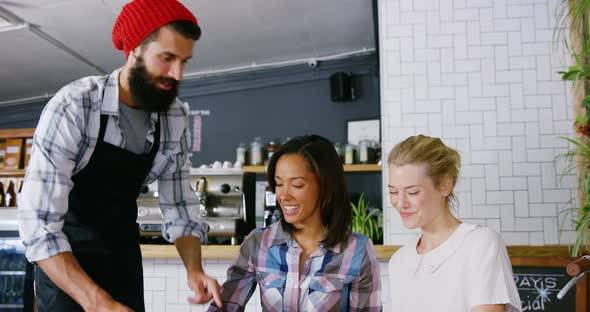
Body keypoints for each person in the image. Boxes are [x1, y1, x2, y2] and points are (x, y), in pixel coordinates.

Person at [17, 0, 222, 311]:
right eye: (166, 58)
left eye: (184, 61)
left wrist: (195, 271)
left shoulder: (174, 118)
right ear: (135, 49)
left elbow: (180, 206)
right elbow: (39, 226)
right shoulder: (75, 106)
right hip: (66, 268)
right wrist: (97, 302)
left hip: (122, 261)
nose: (177, 73)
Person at [208, 135, 381, 311]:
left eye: (297, 185)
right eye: (278, 184)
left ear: (326, 186)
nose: (283, 195)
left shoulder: (358, 251)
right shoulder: (258, 243)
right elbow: (224, 307)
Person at [387, 135, 521, 312]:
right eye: (393, 191)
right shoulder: (399, 261)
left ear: (445, 185)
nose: (400, 202)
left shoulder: (480, 244)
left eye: (412, 192)